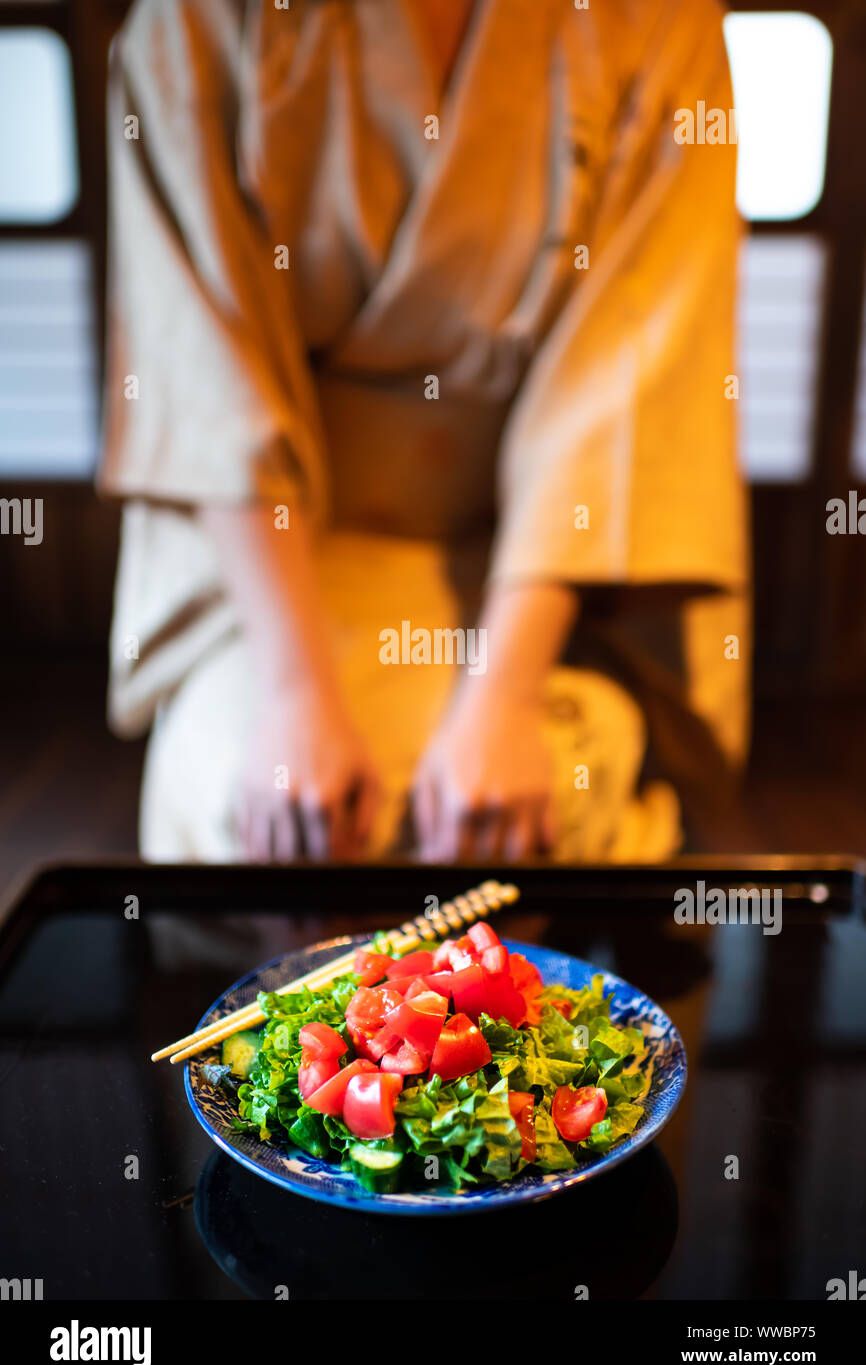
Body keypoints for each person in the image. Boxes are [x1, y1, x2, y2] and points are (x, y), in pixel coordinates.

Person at [100, 0, 749, 864]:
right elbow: (205, 375)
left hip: (547, 567)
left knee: (531, 797)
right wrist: (296, 693)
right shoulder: (196, 17)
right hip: (284, 556)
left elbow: (623, 386)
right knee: (255, 810)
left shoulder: (660, 21)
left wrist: (505, 699)